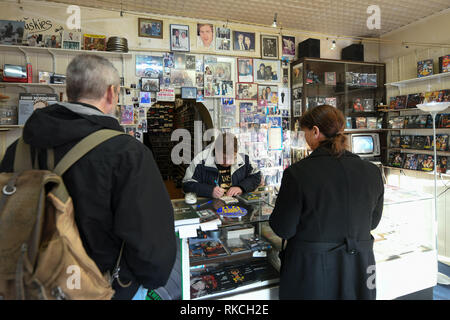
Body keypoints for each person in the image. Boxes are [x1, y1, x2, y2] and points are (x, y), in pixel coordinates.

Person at [0, 54, 177, 300]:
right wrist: (142, 283)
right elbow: (152, 248)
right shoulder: (128, 153)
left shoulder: (16, 150)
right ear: (111, 93)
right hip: (104, 289)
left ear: (69, 91)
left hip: (28, 285)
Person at [269, 105, 384, 300]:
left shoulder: (298, 173)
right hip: (359, 267)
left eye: (305, 132)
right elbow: (372, 223)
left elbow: (283, 229)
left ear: (315, 131)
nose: (305, 138)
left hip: (311, 271)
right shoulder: (372, 171)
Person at [183, 132, 261, 198]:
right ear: (216, 150)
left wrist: (241, 187)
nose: (227, 162)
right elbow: (187, 185)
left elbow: (257, 176)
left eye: (231, 157)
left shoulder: (244, 156)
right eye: (223, 158)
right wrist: (209, 191)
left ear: (236, 152)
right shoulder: (200, 159)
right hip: (210, 208)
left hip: (237, 207)